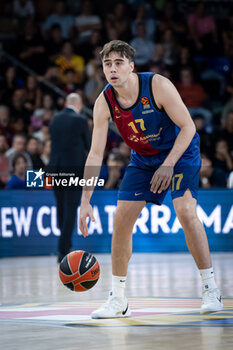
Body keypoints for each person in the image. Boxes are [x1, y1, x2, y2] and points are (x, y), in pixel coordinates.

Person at [79, 40, 223, 318]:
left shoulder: (157, 85)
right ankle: (118, 299)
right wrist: (85, 200)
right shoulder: (103, 102)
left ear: (131, 66)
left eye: (119, 62)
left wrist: (168, 165)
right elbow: (95, 155)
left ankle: (210, 288)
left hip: (180, 153)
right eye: (107, 64)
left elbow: (188, 126)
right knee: (121, 217)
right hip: (144, 158)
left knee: (184, 210)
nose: (112, 68)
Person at [49, 93, 90, 263]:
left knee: (61, 208)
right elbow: (89, 145)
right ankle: (63, 249)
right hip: (73, 171)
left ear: (66, 103)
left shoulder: (54, 119)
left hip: (54, 169)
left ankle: (66, 244)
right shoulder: (80, 120)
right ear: (79, 105)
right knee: (70, 209)